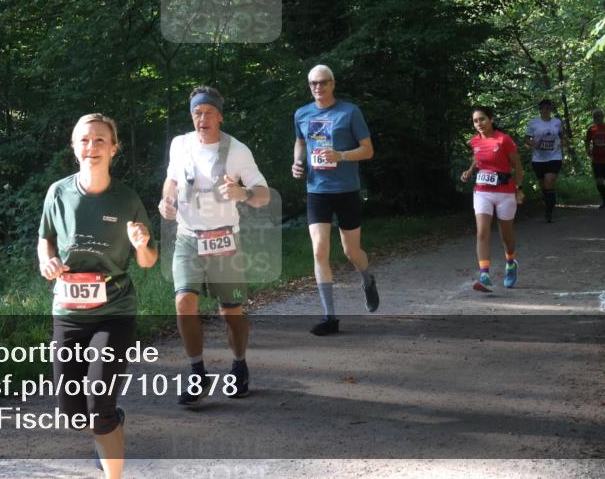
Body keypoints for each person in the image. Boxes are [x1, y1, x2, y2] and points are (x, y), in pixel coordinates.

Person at [38, 113, 158, 478]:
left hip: (114, 311)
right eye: (85, 140)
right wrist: (48, 261)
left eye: (100, 140)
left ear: (114, 148)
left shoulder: (126, 199)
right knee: (73, 414)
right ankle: (112, 423)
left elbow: (149, 261)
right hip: (69, 312)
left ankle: (112, 462)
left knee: (98, 407)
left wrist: (142, 244)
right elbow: (45, 239)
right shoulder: (58, 192)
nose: (92, 147)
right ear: (74, 147)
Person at [158, 86, 270, 407]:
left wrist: (243, 193)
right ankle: (197, 372)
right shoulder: (179, 145)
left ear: (220, 115)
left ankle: (239, 364)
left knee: (230, 310)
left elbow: (263, 194)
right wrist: (166, 199)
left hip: (224, 241)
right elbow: (172, 180)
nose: (201, 118)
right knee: (184, 303)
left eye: (208, 112)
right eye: (196, 112)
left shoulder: (237, 151)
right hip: (188, 238)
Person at [292, 64, 378, 336]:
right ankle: (330, 317)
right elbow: (301, 142)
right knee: (319, 250)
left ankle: (367, 278)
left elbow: (368, 150)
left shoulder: (350, 112)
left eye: (323, 82)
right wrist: (296, 162)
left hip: (346, 189)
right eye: (313, 84)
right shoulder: (302, 114)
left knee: (351, 252)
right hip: (317, 190)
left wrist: (340, 155)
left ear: (333, 83)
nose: (318, 87)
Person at [460, 107, 525, 292]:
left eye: (482, 119)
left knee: (506, 235)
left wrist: (519, 189)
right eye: (475, 121)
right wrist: (470, 170)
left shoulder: (503, 140)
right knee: (482, 232)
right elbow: (478, 156)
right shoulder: (474, 141)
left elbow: (518, 166)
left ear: (491, 119)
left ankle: (511, 263)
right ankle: (485, 275)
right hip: (482, 192)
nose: (479, 124)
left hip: (505, 192)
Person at [524, 98, 566, 223]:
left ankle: (549, 212)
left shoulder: (557, 122)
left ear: (551, 109)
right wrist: (534, 144)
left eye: (549, 107)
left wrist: (563, 142)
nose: (546, 109)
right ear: (540, 109)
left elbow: (562, 135)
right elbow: (526, 138)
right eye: (544, 107)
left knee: (549, 182)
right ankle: (549, 202)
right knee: (544, 186)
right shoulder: (533, 123)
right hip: (538, 159)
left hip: (554, 156)